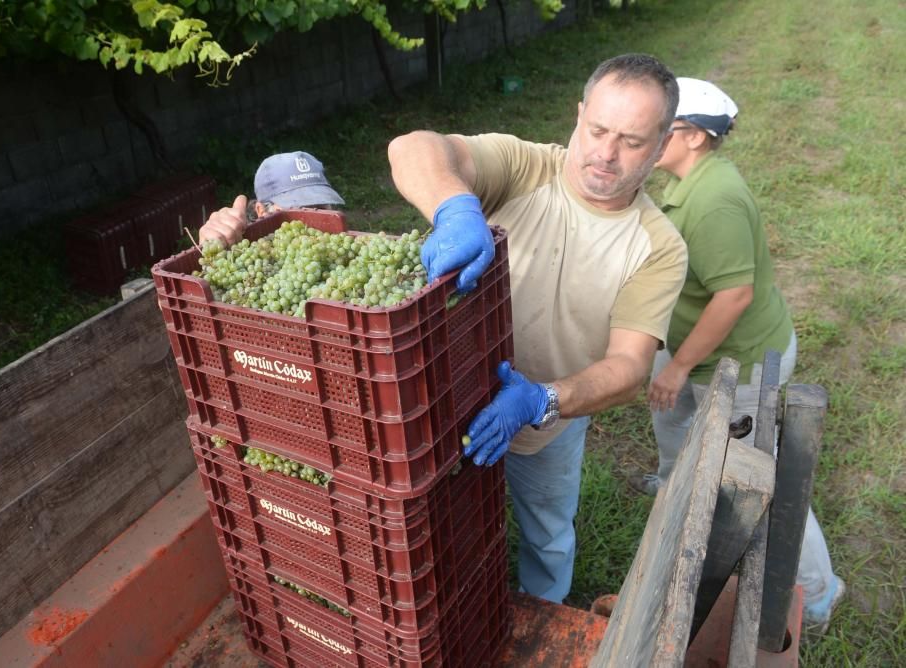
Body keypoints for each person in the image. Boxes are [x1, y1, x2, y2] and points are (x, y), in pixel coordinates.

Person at [387, 53, 689, 604]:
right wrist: (455, 207)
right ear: (578, 116)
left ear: (664, 144)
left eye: (632, 140)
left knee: (548, 534)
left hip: (549, 415)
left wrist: (542, 401)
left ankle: (542, 611)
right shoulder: (525, 167)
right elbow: (412, 147)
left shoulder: (658, 246)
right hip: (448, 394)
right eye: (597, 129)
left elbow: (628, 369)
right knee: (438, 525)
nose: (605, 152)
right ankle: (455, 611)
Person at [633, 77, 844, 632]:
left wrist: (679, 367)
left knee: (762, 479)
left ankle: (818, 593)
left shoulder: (715, 199)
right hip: (690, 348)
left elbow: (734, 296)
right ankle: (676, 495)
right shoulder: (684, 184)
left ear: (696, 137)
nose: (648, 137)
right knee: (673, 425)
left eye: (663, 129)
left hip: (738, 363)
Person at [198, 150, 344, 246]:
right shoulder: (250, 248)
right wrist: (215, 240)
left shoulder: (340, 248)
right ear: (261, 210)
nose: (313, 220)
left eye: (320, 207)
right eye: (297, 210)